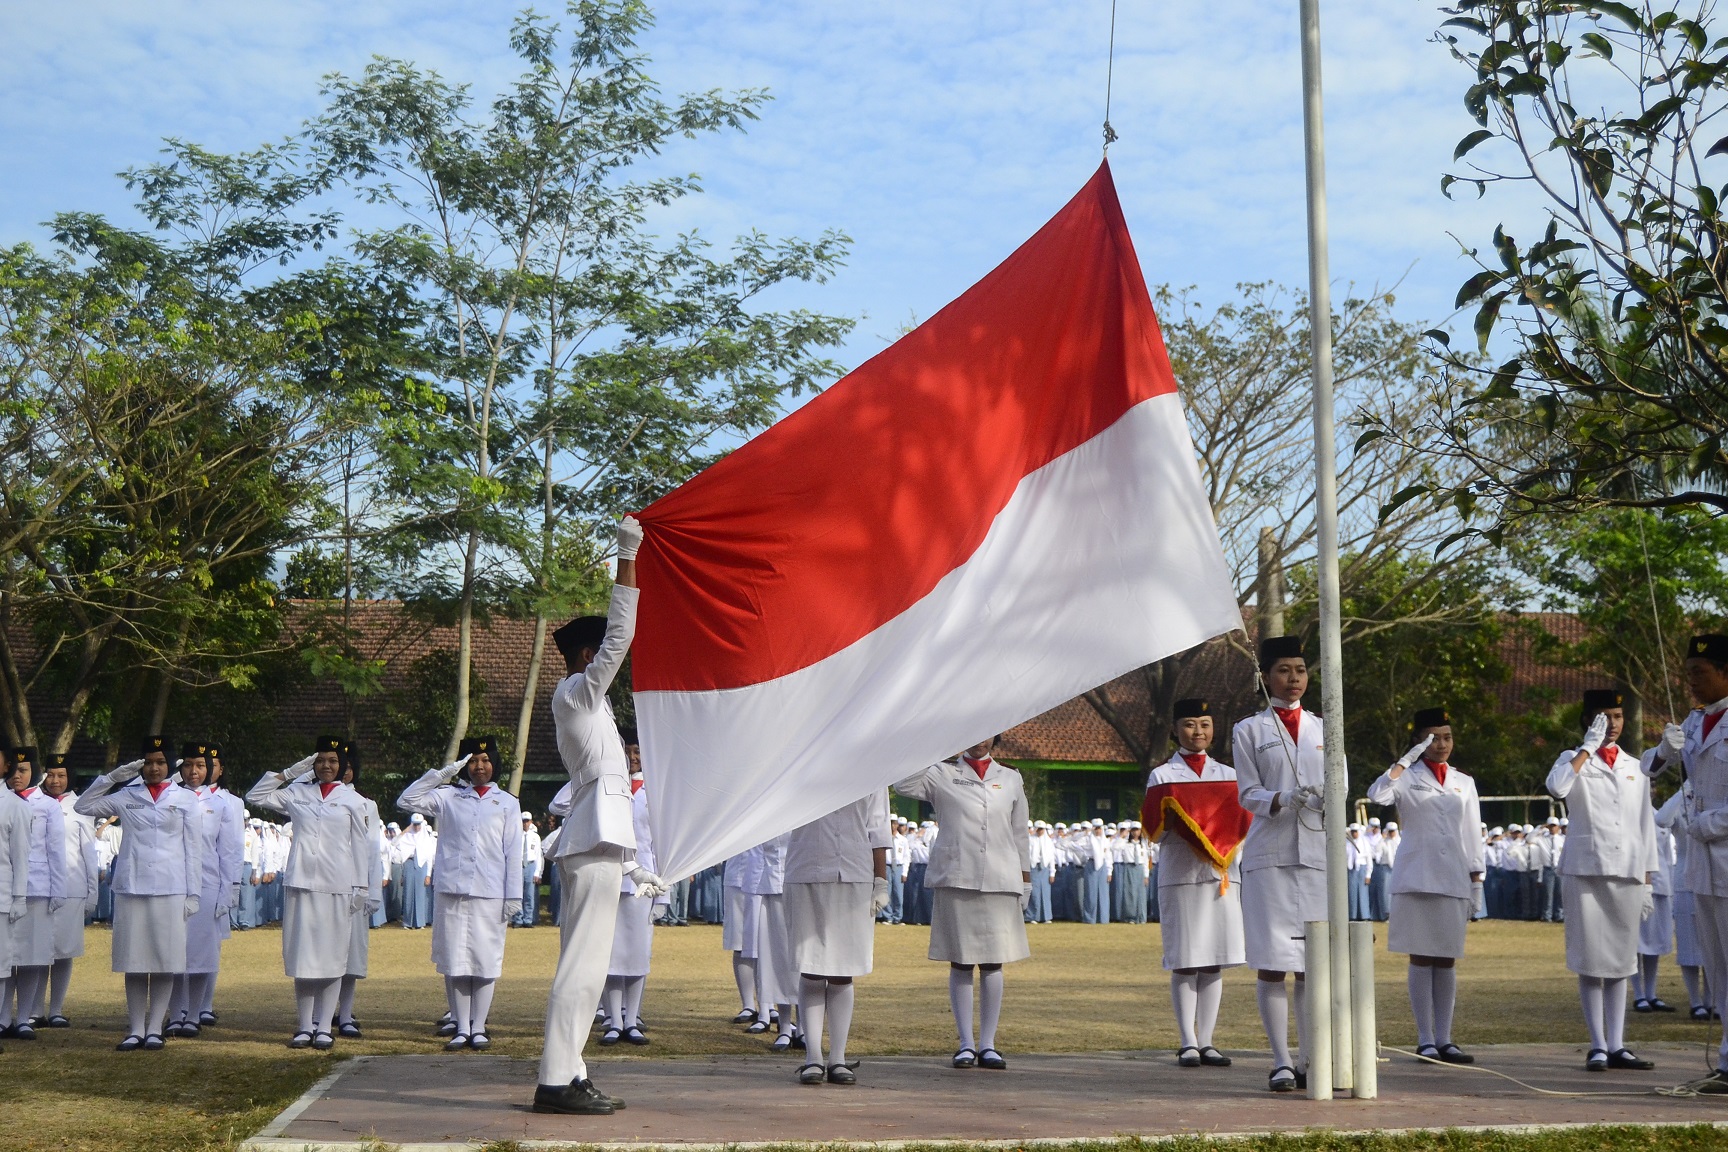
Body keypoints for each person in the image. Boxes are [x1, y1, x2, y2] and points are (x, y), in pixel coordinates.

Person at [534, 516, 666, 1117]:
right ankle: (555, 1079)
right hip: (588, 844)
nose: (610, 661)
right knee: (582, 968)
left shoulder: (597, 709)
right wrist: (627, 556)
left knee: (590, 965)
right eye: (601, 652)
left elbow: (616, 796)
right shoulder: (574, 693)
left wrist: (637, 868)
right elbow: (623, 636)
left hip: (601, 844)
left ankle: (575, 1068)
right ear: (587, 655)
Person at [894, 734, 1031, 1071]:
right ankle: (965, 1043)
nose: (978, 740)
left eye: (985, 733)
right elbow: (901, 782)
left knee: (994, 962)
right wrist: (940, 742)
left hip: (1000, 878)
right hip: (958, 875)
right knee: (960, 960)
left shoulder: (1011, 778)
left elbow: (1019, 833)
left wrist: (1026, 880)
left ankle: (989, 1043)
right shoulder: (941, 773)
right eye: (971, 732)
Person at [1546, 689, 1659, 1072]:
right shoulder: (1571, 760)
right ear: (1588, 720)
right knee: (1590, 961)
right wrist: (1586, 749)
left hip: (1627, 869)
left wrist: (1648, 879)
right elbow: (1557, 788)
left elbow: (1645, 824)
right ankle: (1597, 1044)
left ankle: (1618, 1044)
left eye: (1617, 716)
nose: (1612, 724)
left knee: (1622, 962)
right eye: (1603, 717)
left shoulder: (1634, 766)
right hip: (1586, 868)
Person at [1367, 707, 1485, 1065]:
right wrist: (1404, 761)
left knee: (1447, 958)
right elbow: (1377, 794)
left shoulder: (1464, 782)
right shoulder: (1406, 777)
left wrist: (1477, 879)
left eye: (1447, 737)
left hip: (1452, 876)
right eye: (1433, 738)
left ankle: (1445, 1037)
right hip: (1417, 875)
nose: (1442, 744)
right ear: (1419, 740)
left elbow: (1472, 833)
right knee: (1420, 955)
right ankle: (1425, 1039)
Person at [1234, 634, 1325, 1093]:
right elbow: (1247, 793)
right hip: (1269, 853)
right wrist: (1283, 797)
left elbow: (1341, 782)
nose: (1294, 679)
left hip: (1315, 856)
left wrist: (1331, 797)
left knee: (1313, 963)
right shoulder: (1249, 730)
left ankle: (1312, 1057)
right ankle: (1282, 1060)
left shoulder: (1326, 728)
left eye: (1301, 671)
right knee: (1272, 963)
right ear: (1267, 677)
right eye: (1285, 671)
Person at [246, 735, 374, 1051]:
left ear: (343, 764)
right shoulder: (297, 793)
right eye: (320, 760)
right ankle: (305, 1026)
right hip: (302, 883)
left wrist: (361, 886)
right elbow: (255, 795)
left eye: (332, 760)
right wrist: (290, 772)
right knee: (303, 956)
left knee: (332, 958)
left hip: (338, 885)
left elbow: (360, 846)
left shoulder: (354, 801)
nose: (326, 766)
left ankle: (324, 1027)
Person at [75, 736, 202, 1051]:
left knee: (164, 959)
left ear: (170, 764)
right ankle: (135, 1028)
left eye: (160, 762)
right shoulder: (125, 796)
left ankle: (155, 1027)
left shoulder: (186, 799)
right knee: (134, 960)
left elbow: (194, 849)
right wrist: (113, 777)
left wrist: (193, 893)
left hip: (172, 888)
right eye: (148, 762)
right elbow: (82, 805)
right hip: (132, 887)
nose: (154, 768)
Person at [399, 735, 521, 1051]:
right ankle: (461, 1025)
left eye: (485, 760)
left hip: (490, 892)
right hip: (452, 890)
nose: (479, 767)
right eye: (473, 761)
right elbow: (407, 800)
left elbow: (513, 852)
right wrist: (443, 773)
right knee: (455, 961)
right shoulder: (448, 797)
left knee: (484, 961)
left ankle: (478, 1027)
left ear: (494, 764)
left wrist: (513, 896)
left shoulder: (507, 803)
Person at [1644, 635, 1728, 1091]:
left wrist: (1709, 824)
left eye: (1700, 671)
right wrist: (1663, 749)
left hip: (1722, 849)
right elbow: (1649, 771)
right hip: (1702, 866)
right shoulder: (1695, 723)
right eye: (1688, 671)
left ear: (1724, 672)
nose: (1691, 681)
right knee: (1717, 968)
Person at [1146, 698, 1245, 1070]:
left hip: (1221, 877)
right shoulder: (1162, 775)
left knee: (1215, 958)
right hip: (1182, 875)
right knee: (1187, 959)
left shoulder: (1230, 774)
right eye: (1189, 724)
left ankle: (1207, 1041)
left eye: (1205, 723)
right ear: (1175, 729)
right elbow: (1153, 829)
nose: (1198, 731)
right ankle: (1187, 1040)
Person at [785, 787, 892, 1084]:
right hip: (807, 869)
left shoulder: (874, 767)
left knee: (845, 969)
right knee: (811, 966)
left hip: (854, 873)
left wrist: (881, 880)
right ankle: (813, 1058)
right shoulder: (801, 762)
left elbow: (879, 829)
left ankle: (838, 1058)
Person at [590, 737, 664, 1048]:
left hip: (644, 882)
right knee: (611, 955)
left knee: (637, 954)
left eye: (637, 751)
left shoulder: (657, 792)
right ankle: (614, 1020)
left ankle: (632, 1020)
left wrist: (664, 896)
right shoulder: (608, 786)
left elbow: (662, 845)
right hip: (610, 878)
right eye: (627, 751)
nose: (632, 757)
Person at [167, 742, 242, 1038]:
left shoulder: (222, 804)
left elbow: (230, 850)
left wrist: (230, 889)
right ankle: (175, 1013)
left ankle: (195, 1013)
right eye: (187, 765)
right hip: (173, 883)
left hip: (208, 884)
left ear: (212, 768)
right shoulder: (169, 797)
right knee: (173, 954)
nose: (193, 771)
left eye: (200, 765)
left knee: (200, 955)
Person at [4, 747, 67, 1039]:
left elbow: (56, 850)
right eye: (15, 770)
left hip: (38, 888)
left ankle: (25, 1017)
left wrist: (58, 890)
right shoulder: (3, 800)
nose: (18, 776)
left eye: (25, 770)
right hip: (5, 888)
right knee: (7, 957)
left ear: (35, 773)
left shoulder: (48, 805)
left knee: (30, 957)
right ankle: (3, 1017)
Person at [36, 753, 98, 1027]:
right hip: (38, 888)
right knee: (37, 951)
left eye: (61, 775)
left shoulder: (80, 807)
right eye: (51, 774)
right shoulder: (33, 803)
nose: (56, 780)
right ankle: (34, 1009)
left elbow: (88, 852)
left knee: (64, 951)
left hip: (72, 888)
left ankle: (57, 1009)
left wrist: (92, 892)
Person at [335, 743, 385, 1036]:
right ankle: (322, 1012)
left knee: (351, 955)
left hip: (356, 888)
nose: (344, 772)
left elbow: (372, 850)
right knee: (325, 952)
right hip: (327, 886)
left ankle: (345, 1013)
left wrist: (373, 891)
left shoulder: (367, 805)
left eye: (348, 767)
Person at [1657, 784, 1710, 1018]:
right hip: (1685, 878)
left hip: (1712, 875)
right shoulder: (1681, 802)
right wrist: (1682, 789)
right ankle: (1695, 1001)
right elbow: (1662, 819)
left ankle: (1712, 1000)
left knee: (1712, 944)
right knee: (1689, 945)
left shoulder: (1712, 797)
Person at [1634, 796, 1678, 1013]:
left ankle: (1650, 993)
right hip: (1639, 884)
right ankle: (1638, 994)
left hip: (1662, 884)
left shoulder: (1659, 813)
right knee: (1636, 943)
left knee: (1655, 944)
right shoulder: (1632, 811)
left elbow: (1667, 855)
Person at [722, 846, 763, 1024]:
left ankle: (767, 1005)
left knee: (765, 945)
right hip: (737, 874)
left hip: (767, 876)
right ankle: (748, 1004)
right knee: (739, 942)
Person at [1027, 822, 1056, 924]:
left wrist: (1052, 873)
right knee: (1034, 892)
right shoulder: (1031, 839)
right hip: (1034, 867)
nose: (1040, 831)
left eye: (1042, 829)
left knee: (1045, 892)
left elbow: (1052, 857)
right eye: (1038, 829)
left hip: (1045, 868)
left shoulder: (1048, 841)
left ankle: (1046, 916)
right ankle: (1033, 916)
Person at [520, 811, 543, 927]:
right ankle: (517, 918)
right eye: (523, 821)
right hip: (519, 864)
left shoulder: (535, 836)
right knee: (518, 893)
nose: (525, 824)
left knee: (529, 894)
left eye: (527, 821)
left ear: (531, 822)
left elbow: (538, 854)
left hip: (530, 863)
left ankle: (528, 919)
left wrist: (537, 872)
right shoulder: (516, 834)